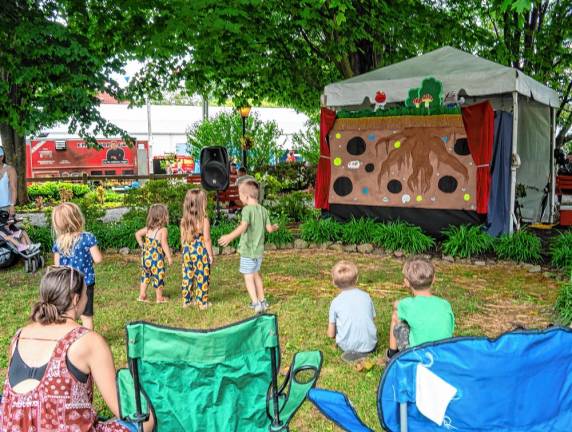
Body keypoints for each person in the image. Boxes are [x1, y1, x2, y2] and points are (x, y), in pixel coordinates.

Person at [0, 266, 154, 432]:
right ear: (75, 299)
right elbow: (122, 409)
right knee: (146, 421)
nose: (87, 299)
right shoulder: (87, 341)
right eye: (86, 293)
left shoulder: (19, 336)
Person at [218, 180, 278, 314]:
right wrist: (275, 227)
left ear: (246, 197)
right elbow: (269, 229)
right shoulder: (263, 210)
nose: (239, 198)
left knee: (248, 276)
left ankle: (255, 303)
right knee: (256, 274)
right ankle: (263, 301)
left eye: (239, 195)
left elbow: (243, 226)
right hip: (259, 252)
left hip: (248, 251)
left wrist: (229, 237)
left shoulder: (246, 210)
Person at [387, 257, 455, 359]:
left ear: (406, 282)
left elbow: (396, 305)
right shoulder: (445, 304)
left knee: (396, 315)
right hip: (443, 355)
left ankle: (391, 356)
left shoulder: (407, 304)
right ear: (434, 279)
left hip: (418, 356)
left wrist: (398, 304)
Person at [52, 202, 102, 330]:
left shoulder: (59, 242)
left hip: (66, 284)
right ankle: (88, 340)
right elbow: (98, 259)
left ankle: (68, 338)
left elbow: (57, 266)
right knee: (86, 316)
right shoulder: (87, 238)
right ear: (78, 219)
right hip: (85, 283)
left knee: (66, 314)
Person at [327, 261, 377, 363]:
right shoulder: (366, 296)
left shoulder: (335, 302)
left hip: (346, 347)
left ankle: (353, 353)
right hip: (370, 345)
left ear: (334, 283)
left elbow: (331, 334)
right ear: (357, 279)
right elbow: (372, 318)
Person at [180, 190, 214, 309]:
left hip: (187, 251)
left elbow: (182, 239)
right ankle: (202, 302)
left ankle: (187, 301)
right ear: (201, 204)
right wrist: (210, 255)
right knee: (202, 276)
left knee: (187, 276)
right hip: (200, 251)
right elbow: (207, 239)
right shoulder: (204, 220)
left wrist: (184, 253)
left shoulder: (184, 220)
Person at [135, 204, 173, 304]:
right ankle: (159, 298)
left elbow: (137, 234)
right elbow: (164, 244)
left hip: (145, 257)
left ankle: (142, 295)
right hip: (156, 259)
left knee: (145, 275)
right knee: (158, 276)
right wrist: (169, 257)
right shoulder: (163, 230)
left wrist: (142, 245)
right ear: (163, 217)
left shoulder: (148, 228)